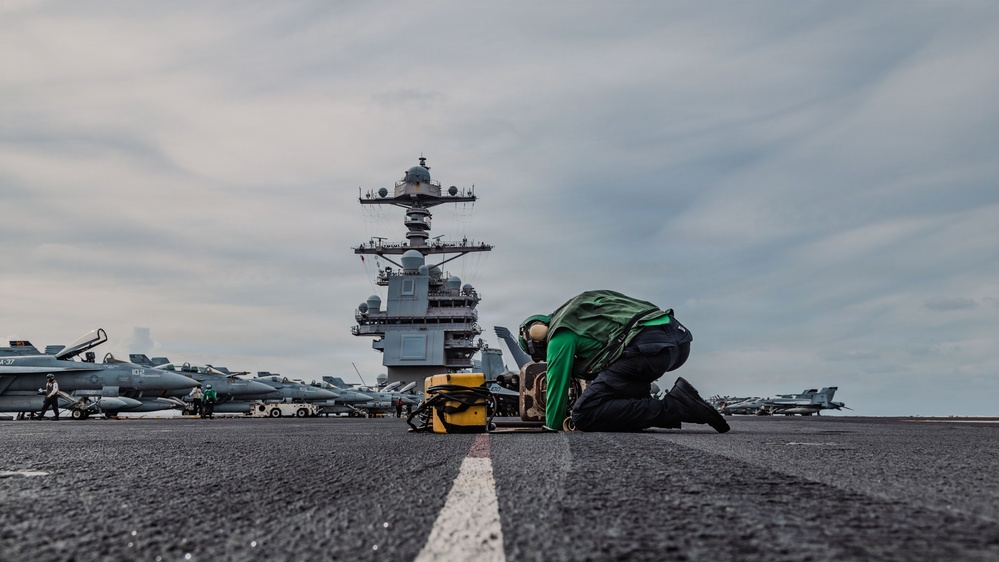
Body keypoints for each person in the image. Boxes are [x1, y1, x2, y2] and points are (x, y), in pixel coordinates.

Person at [519, 289, 729, 433]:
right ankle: (672, 404)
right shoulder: (581, 311)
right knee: (623, 408)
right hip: (676, 341)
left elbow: (556, 381)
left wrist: (553, 424)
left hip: (646, 347)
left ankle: (676, 406)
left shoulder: (559, 334)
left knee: (584, 413)